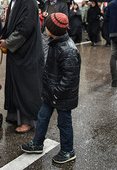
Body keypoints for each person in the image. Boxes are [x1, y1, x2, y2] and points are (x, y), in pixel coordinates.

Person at [21, 13, 81, 164]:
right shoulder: (55, 42)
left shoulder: (69, 50)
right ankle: (37, 143)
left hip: (62, 96)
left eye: (47, 26)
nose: (45, 28)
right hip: (51, 93)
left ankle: (68, 151)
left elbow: (69, 79)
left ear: (53, 30)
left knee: (64, 123)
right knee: (42, 117)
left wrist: (56, 92)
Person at [0, 0, 44, 133]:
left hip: (27, 54)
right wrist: (1, 36)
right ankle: (15, 116)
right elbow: (11, 23)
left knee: (27, 88)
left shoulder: (28, 0)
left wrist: (8, 43)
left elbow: (24, 29)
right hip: (17, 53)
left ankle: (28, 121)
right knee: (15, 85)